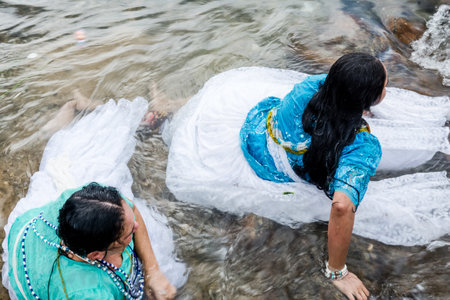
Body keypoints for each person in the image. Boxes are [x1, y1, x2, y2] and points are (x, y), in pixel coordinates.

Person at [166, 52, 391, 300]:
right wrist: (337, 271)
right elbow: (341, 207)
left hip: (256, 137)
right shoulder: (362, 145)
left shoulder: (309, 88)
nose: (387, 84)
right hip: (278, 174)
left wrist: (352, 103)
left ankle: (164, 108)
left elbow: (339, 89)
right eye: (385, 84)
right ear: (368, 100)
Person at [7, 182, 176, 300]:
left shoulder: (86, 202)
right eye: (129, 234)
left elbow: (132, 210)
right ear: (96, 255)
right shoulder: (86, 293)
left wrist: (152, 270)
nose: (137, 226)